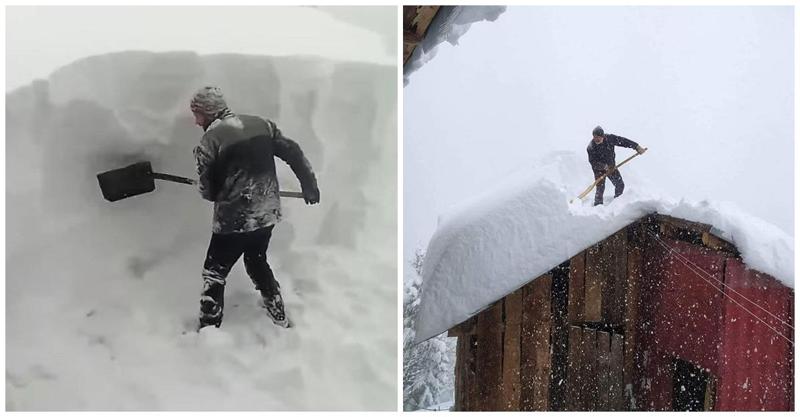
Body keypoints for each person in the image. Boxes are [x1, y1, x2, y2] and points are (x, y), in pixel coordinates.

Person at [190, 86, 320, 330]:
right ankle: (278, 313)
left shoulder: (210, 140)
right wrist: (308, 183)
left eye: (196, 114)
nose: (195, 121)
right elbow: (292, 151)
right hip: (266, 213)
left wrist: (207, 181)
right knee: (257, 259)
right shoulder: (262, 125)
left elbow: (209, 191)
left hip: (233, 220)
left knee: (214, 273)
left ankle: (209, 327)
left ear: (207, 112)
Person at [586, 126, 646, 206]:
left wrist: (636, 147)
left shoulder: (610, 139)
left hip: (611, 167)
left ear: (603, 136)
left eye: (598, 138)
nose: (596, 139)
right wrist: (603, 166)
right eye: (594, 137)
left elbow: (624, 141)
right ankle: (598, 206)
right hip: (598, 169)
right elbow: (593, 162)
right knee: (600, 189)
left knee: (620, 185)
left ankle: (617, 204)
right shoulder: (591, 147)